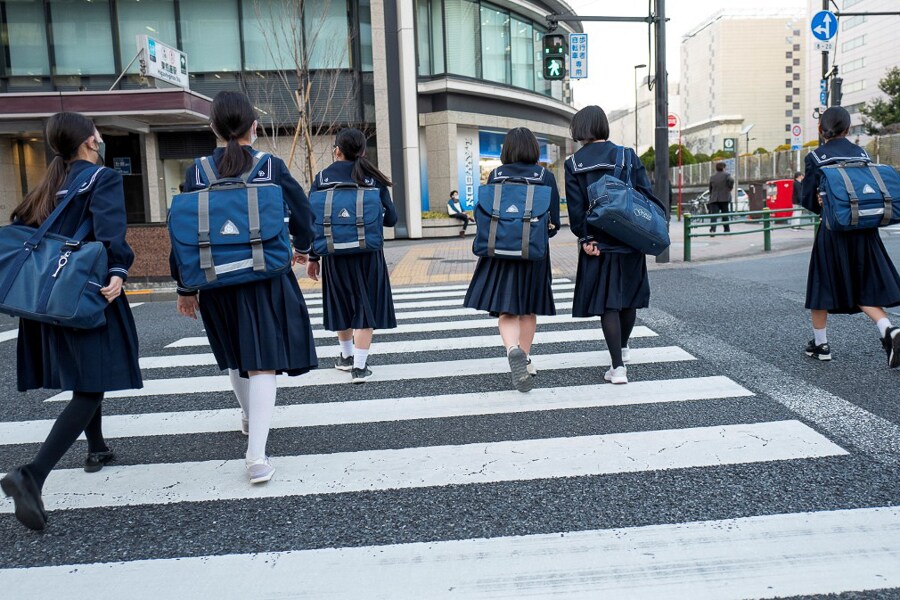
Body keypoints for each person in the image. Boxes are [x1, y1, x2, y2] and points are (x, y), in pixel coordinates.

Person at [1, 112, 142, 531]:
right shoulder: (101, 178)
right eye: (97, 132)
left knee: (85, 376)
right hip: (85, 295)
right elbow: (111, 231)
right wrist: (119, 271)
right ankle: (32, 474)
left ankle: (96, 447)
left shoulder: (48, 185)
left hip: (45, 302)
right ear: (89, 140)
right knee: (92, 382)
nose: (100, 137)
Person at [172, 91, 318, 484]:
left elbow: (183, 234)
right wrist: (304, 250)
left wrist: (186, 288)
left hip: (215, 280)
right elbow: (303, 211)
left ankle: (250, 418)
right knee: (263, 360)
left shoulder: (198, 171)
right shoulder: (269, 166)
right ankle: (256, 456)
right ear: (254, 126)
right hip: (266, 276)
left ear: (213, 129)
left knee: (237, 356)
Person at [565, 105, 664, 385]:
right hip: (631, 237)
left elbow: (576, 209)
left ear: (579, 129)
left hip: (599, 241)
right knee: (627, 298)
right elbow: (645, 194)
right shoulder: (627, 155)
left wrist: (585, 238)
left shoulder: (573, 164)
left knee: (608, 302)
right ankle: (623, 347)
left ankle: (617, 367)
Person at [463, 127, 561, 392]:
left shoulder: (496, 175)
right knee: (528, 308)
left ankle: (512, 350)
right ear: (533, 148)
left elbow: (484, 212)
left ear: (506, 149)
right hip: (533, 254)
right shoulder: (546, 176)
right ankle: (525, 360)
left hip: (500, 251)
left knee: (507, 309)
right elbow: (555, 223)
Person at [801, 106, 900, 367]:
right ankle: (889, 329)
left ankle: (821, 345)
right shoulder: (863, 154)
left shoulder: (815, 157)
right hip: (865, 230)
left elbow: (809, 200)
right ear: (847, 129)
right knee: (864, 284)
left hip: (833, 231)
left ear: (821, 129)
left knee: (822, 284)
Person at [307, 128, 397, 383]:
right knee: (364, 305)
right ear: (363, 151)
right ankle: (360, 366)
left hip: (333, 255)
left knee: (340, 304)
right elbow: (391, 219)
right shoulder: (372, 177)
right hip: (369, 254)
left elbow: (313, 221)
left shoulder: (322, 178)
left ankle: (346, 358)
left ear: (337, 150)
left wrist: (313, 258)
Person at [708, 161, 734, 234]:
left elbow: (710, 188)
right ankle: (726, 229)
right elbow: (731, 180)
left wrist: (712, 194)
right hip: (724, 198)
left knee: (714, 215)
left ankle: (713, 229)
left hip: (714, 198)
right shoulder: (727, 175)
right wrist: (730, 187)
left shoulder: (712, 177)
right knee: (725, 215)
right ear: (723, 168)